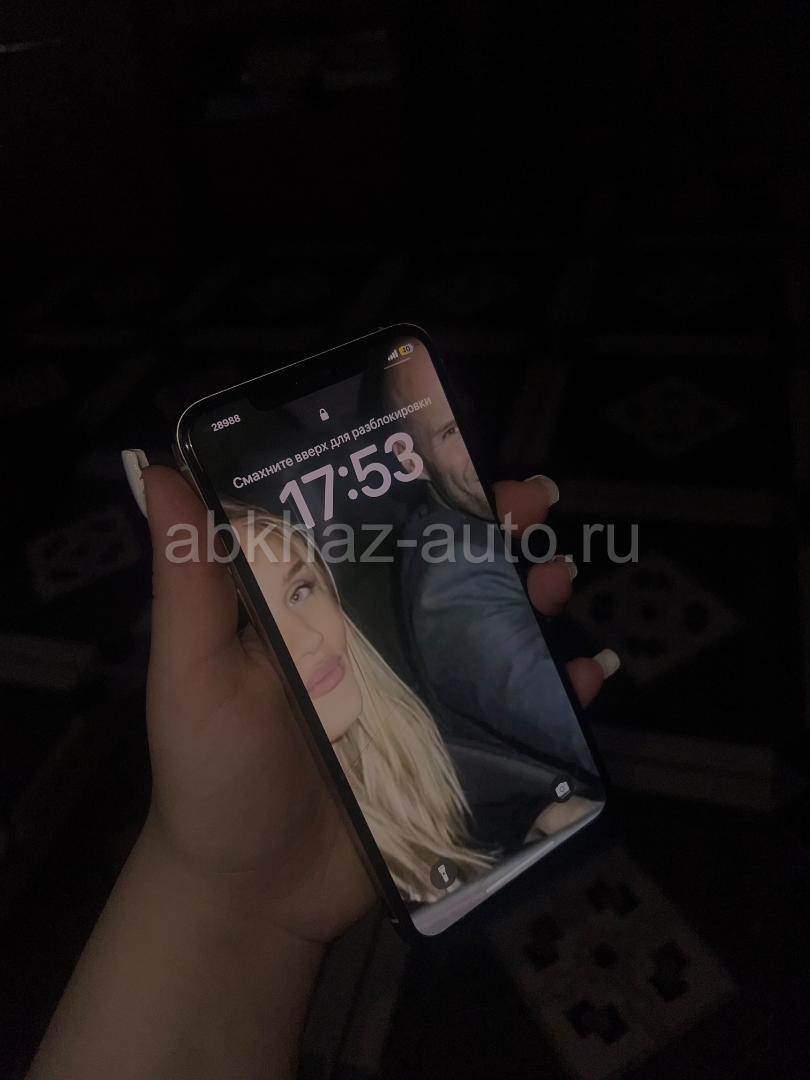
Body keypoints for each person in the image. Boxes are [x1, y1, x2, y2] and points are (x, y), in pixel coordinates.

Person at [27, 459, 613, 1080]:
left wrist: (546, 803)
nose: (307, 638)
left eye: (301, 590)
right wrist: (222, 891)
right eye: (264, 619)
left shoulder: (443, 752)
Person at [384, 342, 619, 774]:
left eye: (469, 417)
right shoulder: (453, 574)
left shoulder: (459, 521)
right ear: (410, 459)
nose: (476, 446)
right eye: (450, 432)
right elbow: (569, 726)